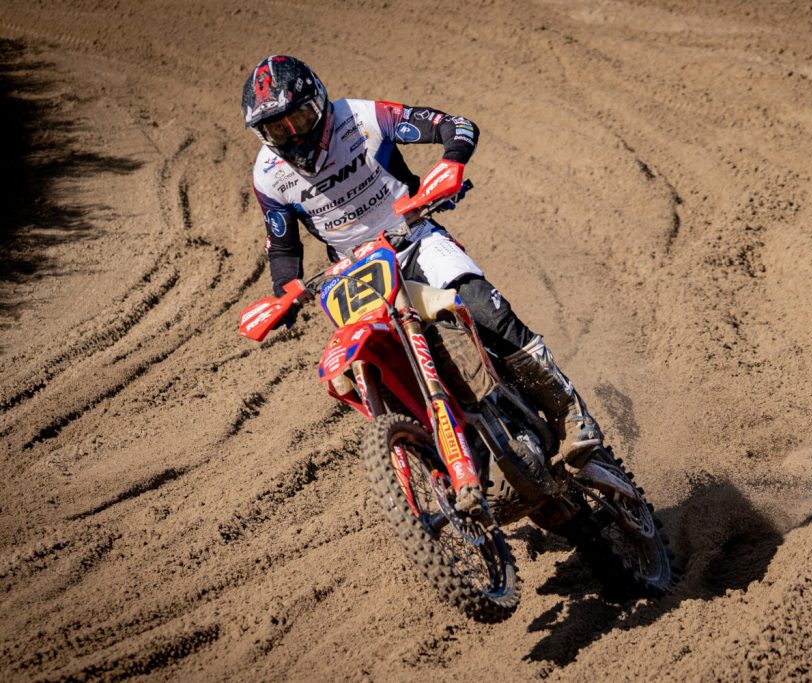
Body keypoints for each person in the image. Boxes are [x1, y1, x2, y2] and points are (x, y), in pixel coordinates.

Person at [241, 54, 602, 467]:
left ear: (319, 103)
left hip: (413, 237)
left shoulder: (360, 117)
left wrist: (450, 163)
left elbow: (456, 125)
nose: (293, 134)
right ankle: (440, 467)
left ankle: (570, 414)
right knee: (362, 367)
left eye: (301, 120)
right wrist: (282, 296)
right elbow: (284, 247)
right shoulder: (268, 175)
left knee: (484, 308)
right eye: (277, 128)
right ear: (261, 133)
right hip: (352, 275)